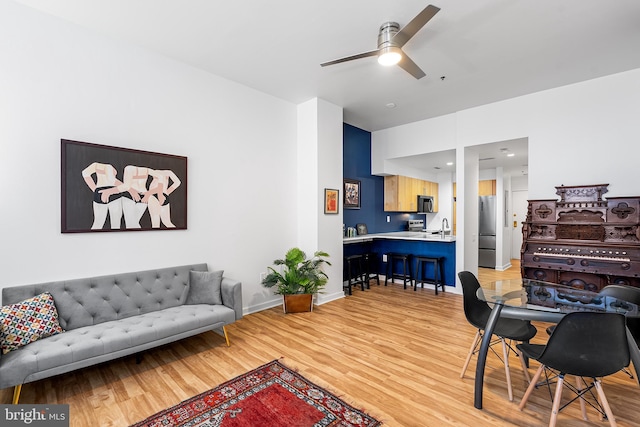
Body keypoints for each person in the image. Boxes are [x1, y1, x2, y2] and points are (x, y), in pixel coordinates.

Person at [81, 162, 123, 229]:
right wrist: (125, 187)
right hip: (113, 191)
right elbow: (112, 180)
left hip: (100, 191)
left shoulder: (96, 165)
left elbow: (85, 173)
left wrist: (95, 189)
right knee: (116, 224)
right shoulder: (108, 166)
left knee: (98, 223)